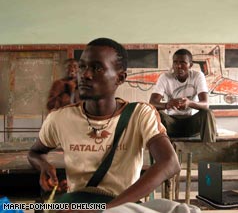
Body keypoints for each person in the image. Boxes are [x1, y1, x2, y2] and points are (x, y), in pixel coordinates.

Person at [27, 38, 180, 209]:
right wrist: (44, 166)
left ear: (120, 78)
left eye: (97, 68)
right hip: (78, 204)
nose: (85, 74)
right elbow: (35, 152)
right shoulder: (60, 118)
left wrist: (107, 210)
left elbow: (169, 162)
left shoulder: (140, 115)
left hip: (122, 205)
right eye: (82, 67)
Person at [149, 49, 217, 142]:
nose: (178, 66)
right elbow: (152, 103)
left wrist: (189, 103)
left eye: (183, 63)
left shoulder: (197, 76)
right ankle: (158, 153)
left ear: (190, 65)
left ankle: (208, 150)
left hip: (191, 123)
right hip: (171, 124)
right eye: (175, 62)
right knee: (156, 114)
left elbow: (205, 104)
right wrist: (167, 105)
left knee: (207, 113)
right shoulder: (165, 77)